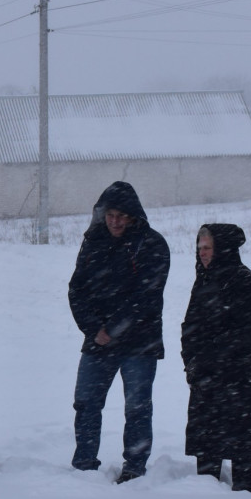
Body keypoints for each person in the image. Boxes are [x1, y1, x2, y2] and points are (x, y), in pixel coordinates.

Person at [67, 181, 170, 483]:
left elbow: (147, 296)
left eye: (122, 216)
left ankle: (135, 468)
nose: (115, 221)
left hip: (140, 343)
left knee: (137, 408)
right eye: (111, 215)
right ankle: (84, 465)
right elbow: (77, 289)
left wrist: (113, 329)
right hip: (98, 342)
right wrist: (94, 328)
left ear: (133, 216)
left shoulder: (151, 244)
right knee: (86, 403)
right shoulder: (93, 241)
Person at [181, 224, 251, 492]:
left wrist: (211, 361)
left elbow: (239, 330)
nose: (202, 253)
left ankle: (244, 497)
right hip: (206, 373)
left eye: (208, 247)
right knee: (207, 441)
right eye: (200, 248)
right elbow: (190, 326)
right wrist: (191, 361)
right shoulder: (203, 280)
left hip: (241, 372)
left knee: (242, 438)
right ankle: (207, 494)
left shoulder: (244, 280)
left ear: (222, 249)